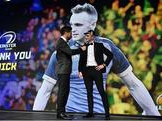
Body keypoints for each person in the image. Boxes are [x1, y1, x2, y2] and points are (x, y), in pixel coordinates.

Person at [33, 3, 161, 116]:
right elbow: (45, 90)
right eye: (72, 24)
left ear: (93, 25)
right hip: (70, 116)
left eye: (78, 25)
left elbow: (133, 84)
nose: (73, 29)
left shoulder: (108, 47)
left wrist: (153, 114)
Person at [78, 30, 113, 119]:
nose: (86, 37)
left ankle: (107, 114)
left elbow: (110, 55)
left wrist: (104, 65)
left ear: (92, 37)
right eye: (85, 36)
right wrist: (80, 71)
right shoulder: (83, 46)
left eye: (88, 35)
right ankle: (90, 113)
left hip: (96, 70)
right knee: (89, 92)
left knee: (101, 91)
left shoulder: (99, 45)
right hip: (86, 71)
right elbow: (81, 59)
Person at [56, 26, 86, 119]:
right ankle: (60, 113)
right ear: (66, 33)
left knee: (65, 91)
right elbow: (69, 52)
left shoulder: (64, 42)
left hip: (65, 71)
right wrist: (81, 49)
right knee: (62, 92)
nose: (71, 35)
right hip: (63, 71)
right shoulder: (61, 42)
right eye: (71, 33)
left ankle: (62, 112)